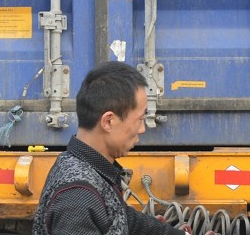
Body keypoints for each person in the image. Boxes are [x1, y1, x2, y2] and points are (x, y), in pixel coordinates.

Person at [32, 62, 187, 235]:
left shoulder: (84, 167)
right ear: (108, 121)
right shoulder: (78, 198)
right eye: (140, 119)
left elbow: (122, 218)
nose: (142, 129)